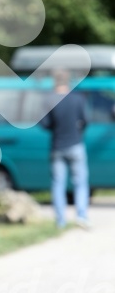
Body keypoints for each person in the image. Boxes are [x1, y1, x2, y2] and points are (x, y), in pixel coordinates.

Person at [41, 70, 90, 229]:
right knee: (80, 183)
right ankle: (81, 216)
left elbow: (45, 124)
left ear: (54, 81)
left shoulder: (49, 100)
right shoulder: (77, 99)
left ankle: (60, 221)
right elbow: (85, 121)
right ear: (68, 81)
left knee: (58, 184)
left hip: (57, 146)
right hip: (76, 145)